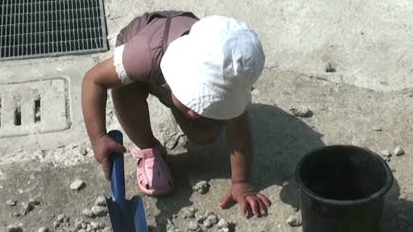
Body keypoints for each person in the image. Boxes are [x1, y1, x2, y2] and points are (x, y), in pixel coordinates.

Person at [81, 11, 271, 217]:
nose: (194, 114)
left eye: (205, 104)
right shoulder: (144, 53)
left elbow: (240, 133)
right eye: (195, 101)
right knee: (125, 89)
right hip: (144, 53)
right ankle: (148, 149)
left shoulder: (231, 74)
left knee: (203, 134)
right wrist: (98, 137)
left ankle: (176, 103)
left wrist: (241, 183)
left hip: (168, 71)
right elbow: (93, 80)